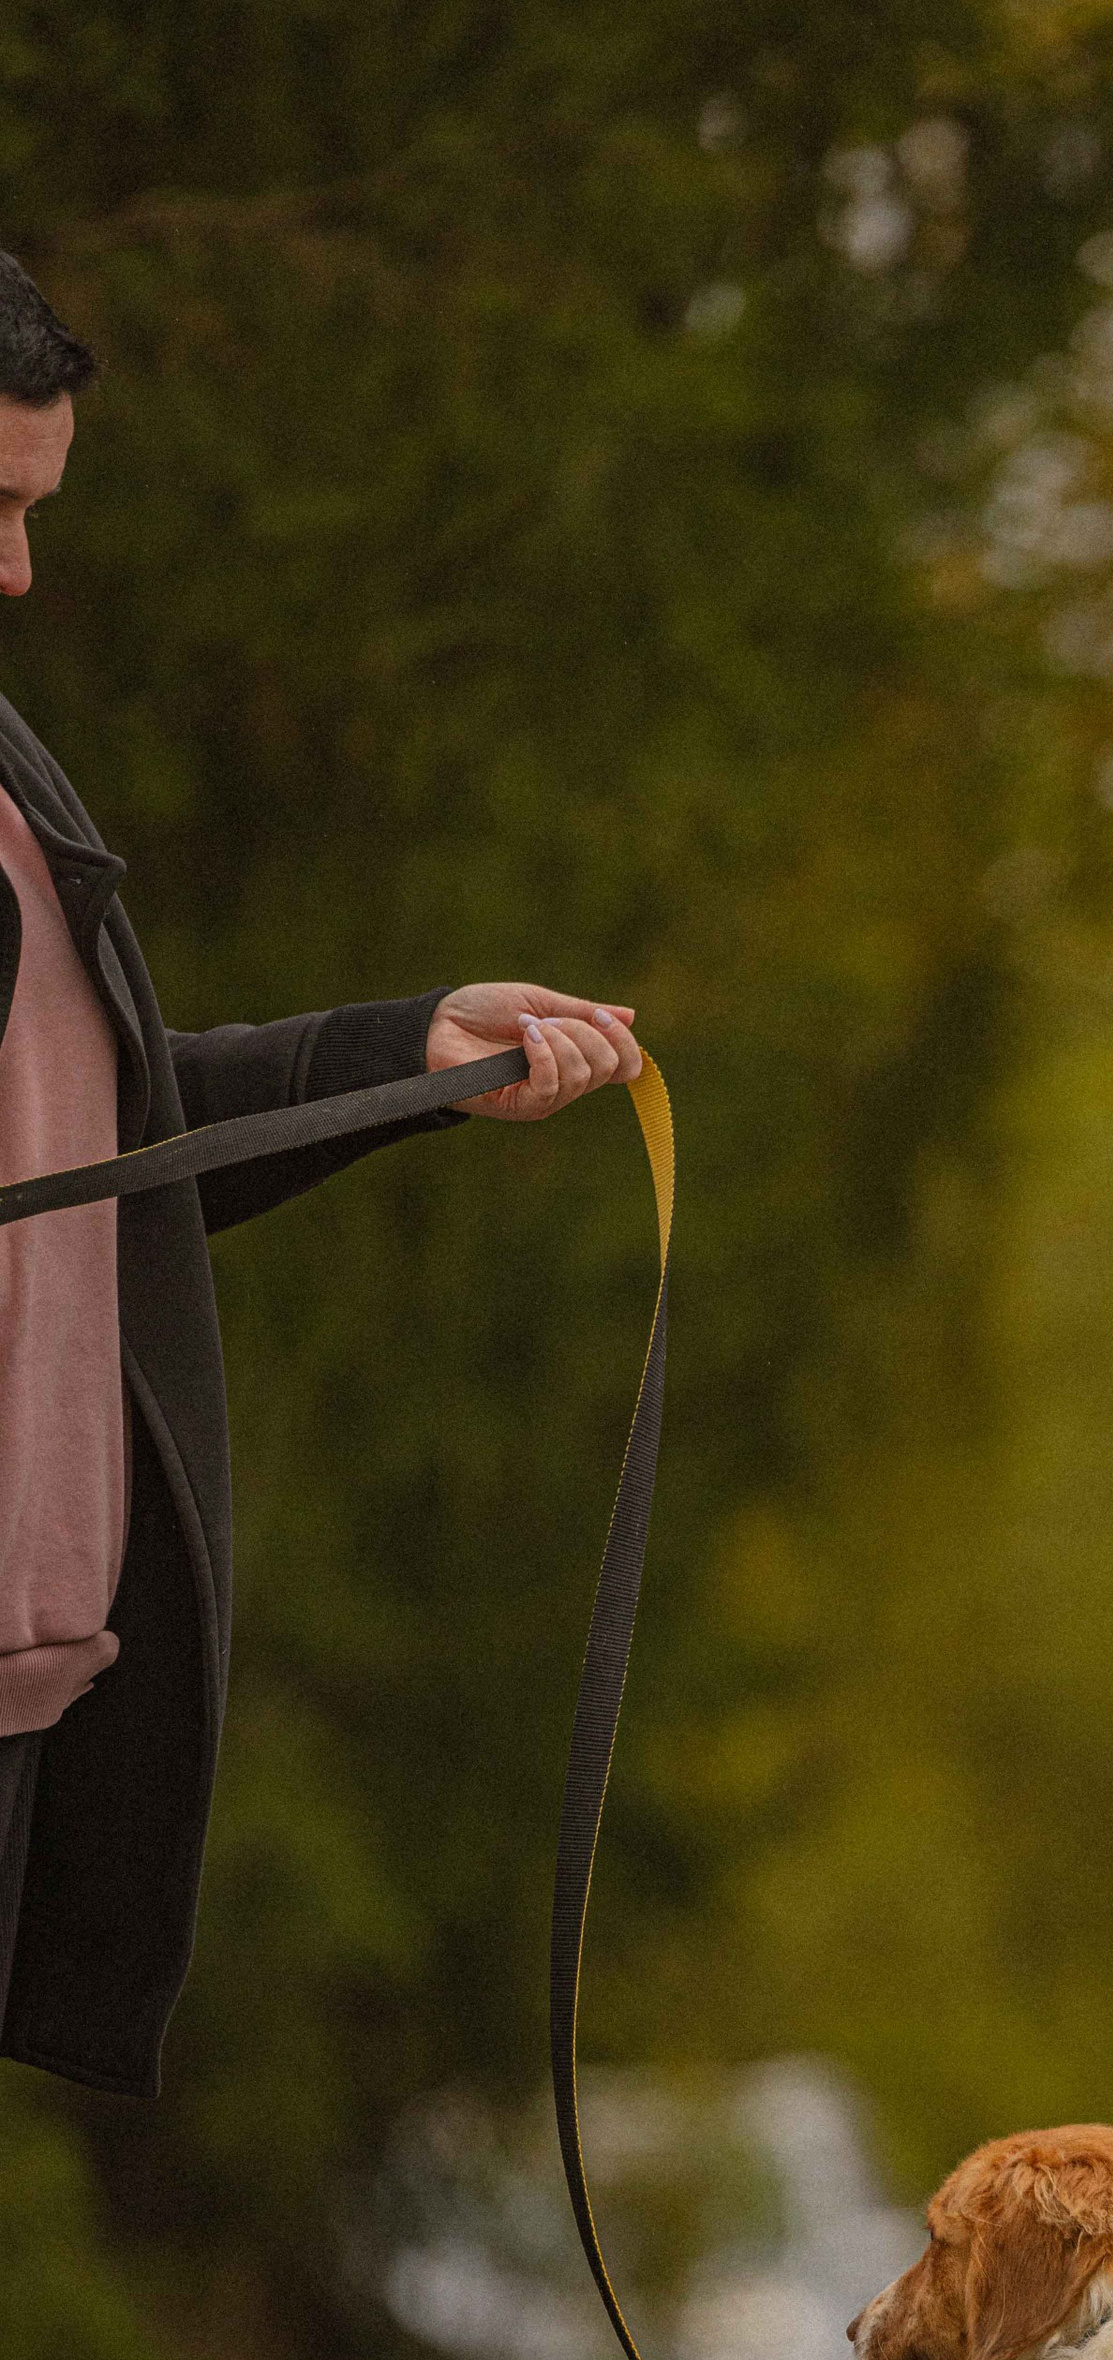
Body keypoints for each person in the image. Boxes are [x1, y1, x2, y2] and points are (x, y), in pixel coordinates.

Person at [0, 252, 643, 2095]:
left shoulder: (14, 780)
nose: (20, 572)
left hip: (39, 1705)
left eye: (36, 513)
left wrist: (397, 1064)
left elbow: (100, 1157)